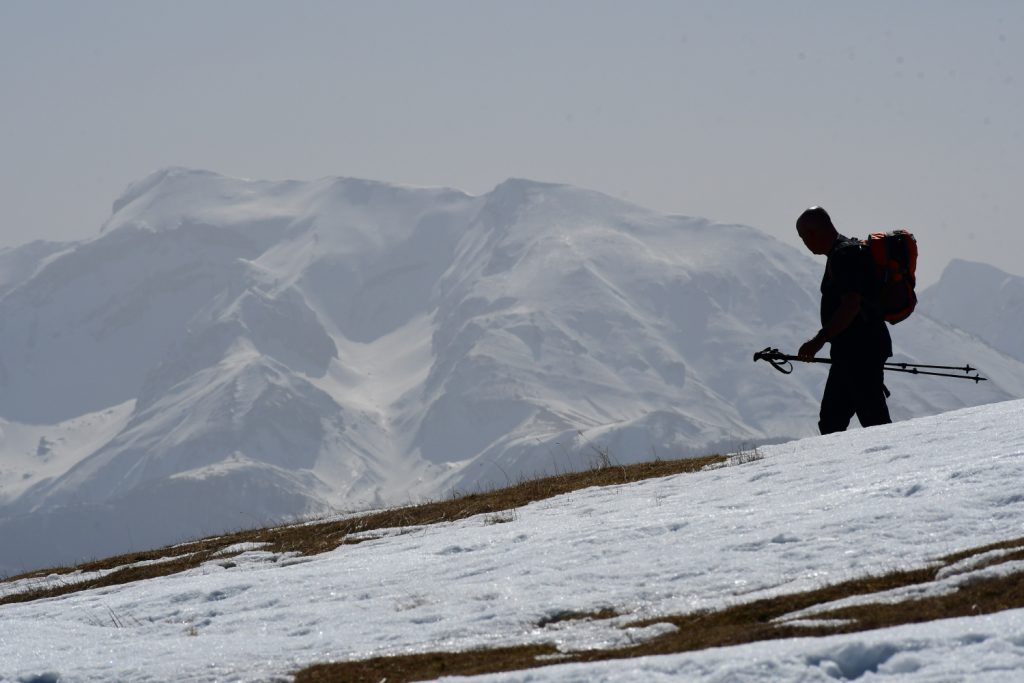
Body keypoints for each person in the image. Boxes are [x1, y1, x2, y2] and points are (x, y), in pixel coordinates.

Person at [796, 206, 892, 434]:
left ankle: (894, 463)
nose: (804, 243)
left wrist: (820, 339)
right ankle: (835, 469)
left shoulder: (844, 256)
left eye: (803, 237)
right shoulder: (844, 252)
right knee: (832, 419)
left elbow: (851, 305)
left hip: (860, 351)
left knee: (871, 418)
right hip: (852, 352)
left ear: (813, 233)